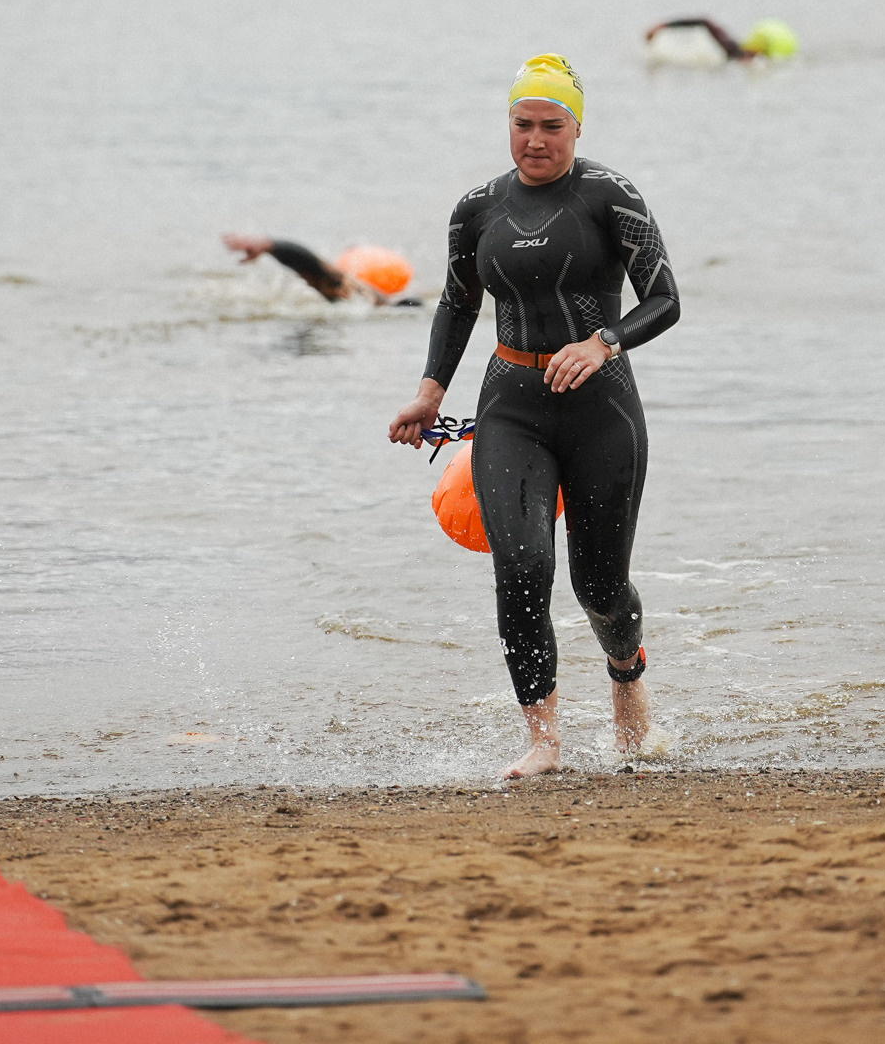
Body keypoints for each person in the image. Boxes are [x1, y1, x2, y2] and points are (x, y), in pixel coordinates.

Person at [388, 55, 681, 779]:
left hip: (601, 407)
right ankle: (545, 740)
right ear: (509, 125)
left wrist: (603, 340)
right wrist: (429, 391)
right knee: (521, 567)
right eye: (523, 124)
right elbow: (458, 303)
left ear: (577, 127)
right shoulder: (477, 208)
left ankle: (625, 670)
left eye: (552, 126)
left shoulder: (612, 197)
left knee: (599, 586)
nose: (536, 140)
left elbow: (665, 299)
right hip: (511, 406)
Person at [221, 234, 417, 304]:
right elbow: (317, 268)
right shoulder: (367, 298)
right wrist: (270, 245)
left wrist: (270, 245)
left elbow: (317, 270)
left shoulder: (364, 301)